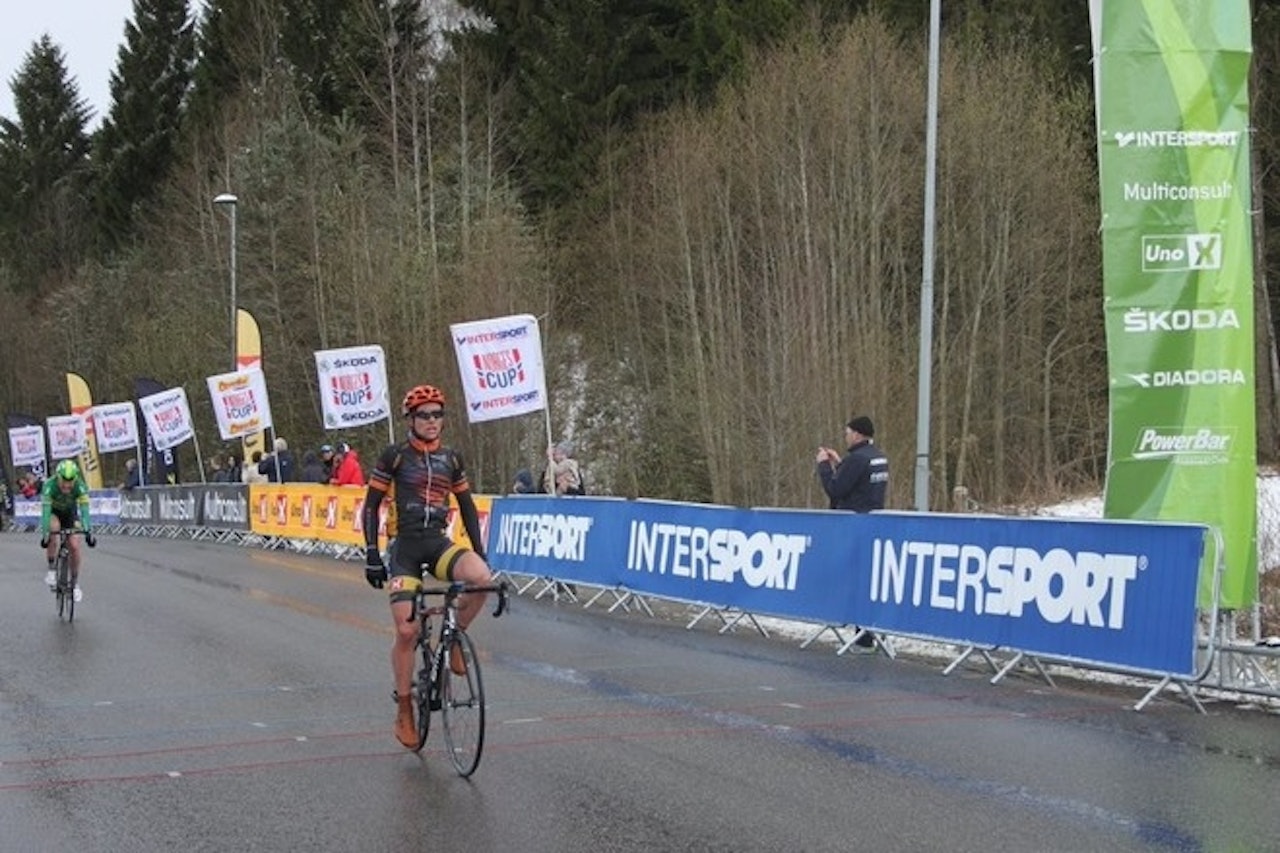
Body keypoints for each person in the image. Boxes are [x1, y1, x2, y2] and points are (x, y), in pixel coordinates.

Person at [362, 384, 496, 749]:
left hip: (437, 544)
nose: (433, 421)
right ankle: (405, 707)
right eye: (425, 415)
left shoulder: (451, 459)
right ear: (411, 419)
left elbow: (467, 506)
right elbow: (370, 505)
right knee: (406, 632)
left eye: (438, 414)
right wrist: (372, 554)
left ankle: (453, 641)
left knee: (482, 580)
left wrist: (479, 551)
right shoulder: (395, 456)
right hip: (404, 548)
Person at [816, 414, 888, 648]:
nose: (845, 437)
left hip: (853, 529)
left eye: (847, 433)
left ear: (857, 434)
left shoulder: (857, 460)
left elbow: (836, 490)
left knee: (856, 583)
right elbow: (860, 484)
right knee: (868, 583)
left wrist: (824, 467)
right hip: (873, 525)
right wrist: (840, 464)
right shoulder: (878, 456)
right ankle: (872, 633)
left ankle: (863, 637)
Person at [39, 459, 96, 601]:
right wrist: (46, 535)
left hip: (70, 514)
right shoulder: (49, 486)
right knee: (54, 528)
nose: (67, 484)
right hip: (54, 513)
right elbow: (46, 513)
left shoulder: (80, 487)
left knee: (75, 546)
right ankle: (52, 569)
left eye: (70, 481)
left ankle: (75, 584)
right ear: (58, 477)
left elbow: (84, 512)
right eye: (64, 480)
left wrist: (88, 532)